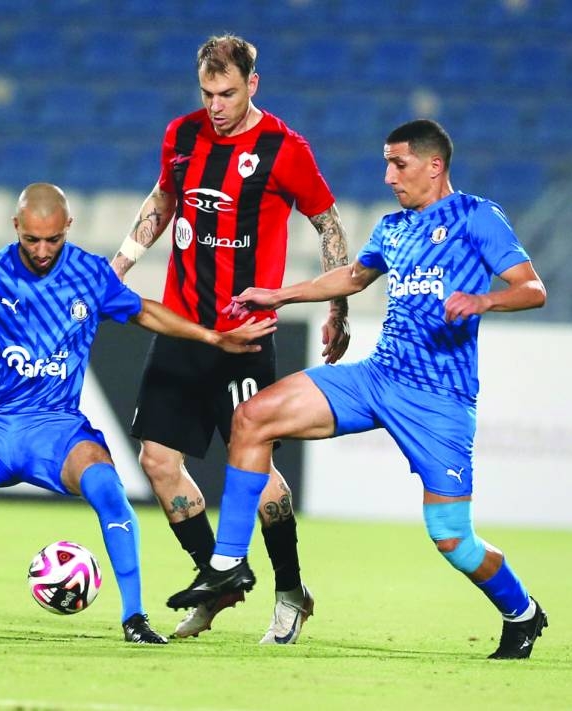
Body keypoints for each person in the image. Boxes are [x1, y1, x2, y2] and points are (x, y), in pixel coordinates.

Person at [168, 119, 551, 659]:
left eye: (399, 164)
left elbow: (532, 289)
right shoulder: (392, 228)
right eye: (387, 163)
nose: (388, 175)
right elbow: (352, 277)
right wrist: (279, 296)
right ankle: (227, 567)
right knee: (252, 417)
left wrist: (485, 300)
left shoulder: (477, 217)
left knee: (452, 539)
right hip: (376, 377)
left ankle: (523, 612)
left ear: (433, 165)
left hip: (438, 400)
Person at [0, 183, 275, 645]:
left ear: (69, 227)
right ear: (16, 227)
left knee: (107, 484)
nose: (42, 251)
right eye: (32, 240)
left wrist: (212, 338)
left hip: (56, 433)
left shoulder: (91, 274)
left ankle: (135, 619)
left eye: (53, 239)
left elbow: (143, 311)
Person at [110, 34, 351, 644]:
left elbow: (328, 223)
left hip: (243, 334)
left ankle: (291, 588)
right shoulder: (182, 135)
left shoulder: (283, 149)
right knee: (158, 462)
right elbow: (164, 197)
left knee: (259, 472)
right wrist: (117, 268)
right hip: (183, 325)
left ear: (253, 85)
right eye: (207, 93)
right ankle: (215, 581)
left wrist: (338, 306)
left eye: (228, 92)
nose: (216, 105)